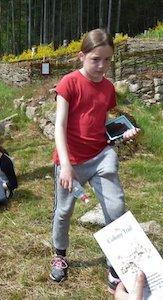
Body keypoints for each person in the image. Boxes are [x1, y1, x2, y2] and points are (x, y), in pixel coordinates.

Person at [50, 29, 140, 292]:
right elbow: (60, 126)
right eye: (95, 59)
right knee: (64, 211)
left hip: (102, 156)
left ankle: (116, 265)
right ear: (82, 56)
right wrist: (65, 165)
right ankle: (60, 254)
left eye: (107, 60)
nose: (102, 66)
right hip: (72, 161)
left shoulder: (109, 87)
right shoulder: (69, 83)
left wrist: (122, 133)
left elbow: (100, 122)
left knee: (116, 207)